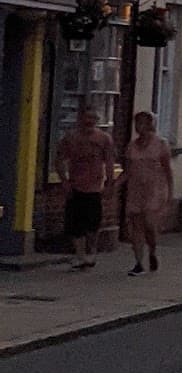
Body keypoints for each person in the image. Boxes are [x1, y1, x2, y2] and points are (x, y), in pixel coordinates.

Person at [56, 106, 115, 269]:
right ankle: (80, 256)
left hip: (94, 187)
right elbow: (59, 159)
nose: (89, 121)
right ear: (80, 119)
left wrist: (109, 183)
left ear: (97, 120)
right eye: (86, 117)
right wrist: (64, 180)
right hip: (75, 185)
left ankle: (91, 251)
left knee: (92, 223)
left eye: (92, 118)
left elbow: (109, 162)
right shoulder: (71, 138)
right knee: (75, 223)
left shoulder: (104, 139)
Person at [119, 111, 174, 275]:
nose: (139, 127)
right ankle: (138, 263)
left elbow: (167, 170)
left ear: (150, 125)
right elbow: (127, 171)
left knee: (149, 224)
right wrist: (114, 186)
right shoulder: (132, 146)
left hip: (155, 189)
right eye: (137, 123)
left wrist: (170, 193)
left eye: (142, 123)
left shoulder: (161, 145)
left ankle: (152, 251)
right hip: (136, 189)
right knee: (136, 226)